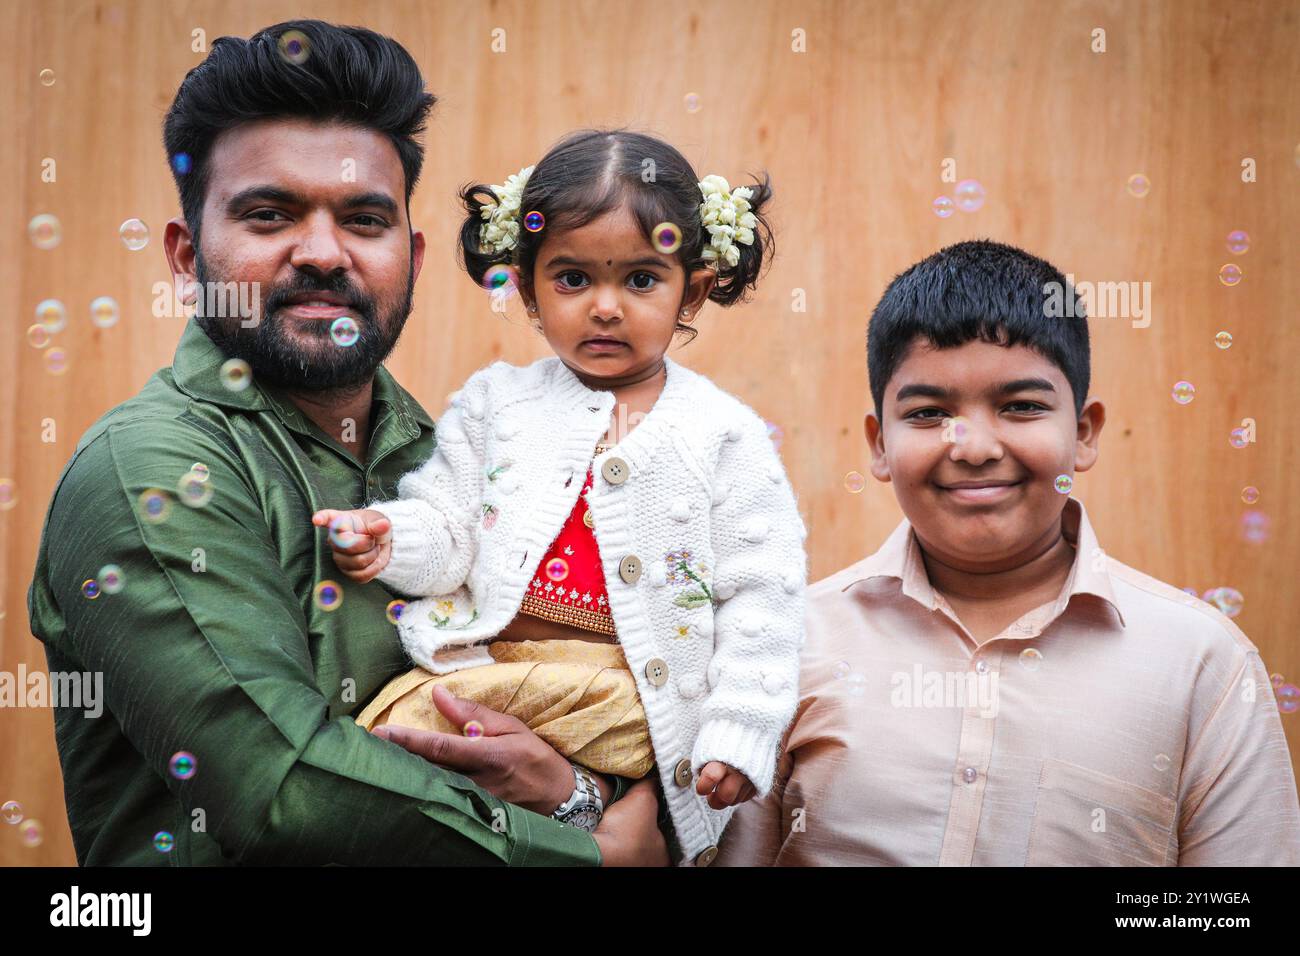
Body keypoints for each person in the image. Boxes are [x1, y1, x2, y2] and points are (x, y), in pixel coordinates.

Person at [26, 18, 663, 866]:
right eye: (268, 214)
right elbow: (284, 794)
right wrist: (591, 853)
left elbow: (555, 709)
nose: (323, 254)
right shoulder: (152, 467)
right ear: (185, 259)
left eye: (364, 219)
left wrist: (583, 796)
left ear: (414, 256)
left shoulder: (445, 464)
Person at [716, 239, 1300, 866]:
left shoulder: (1203, 664)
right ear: (878, 443)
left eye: (1021, 407)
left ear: (1083, 433)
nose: (972, 447)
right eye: (929, 412)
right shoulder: (783, 645)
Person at [313, 129, 807, 866]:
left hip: (631, 702)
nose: (605, 308)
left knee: (624, 796)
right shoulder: (495, 403)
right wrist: (391, 535)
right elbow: (448, 526)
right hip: (487, 673)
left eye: (641, 280)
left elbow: (762, 596)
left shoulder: (722, 433)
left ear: (693, 289)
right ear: (527, 285)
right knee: (392, 741)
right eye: (573, 279)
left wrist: (739, 728)